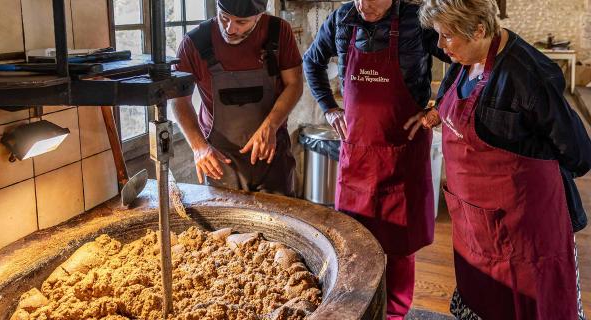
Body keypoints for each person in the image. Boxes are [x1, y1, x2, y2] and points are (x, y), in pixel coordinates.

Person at [416, 0, 591, 318]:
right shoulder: (466, 56)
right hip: (475, 226)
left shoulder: (527, 75)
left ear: (478, 30)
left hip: (523, 233)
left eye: (446, 36)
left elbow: (578, 153)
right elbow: (452, 98)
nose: (440, 45)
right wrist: (435, 114)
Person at [303, 0, 450, 318]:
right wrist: (328, 106)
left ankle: (396, 313)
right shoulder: (342, 18)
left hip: (403, 154)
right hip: (357, 155)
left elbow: (462, 61)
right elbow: (312, 61)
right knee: (354, 242)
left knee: (399, 245)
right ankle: (357, 307)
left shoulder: (417, 21)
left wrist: (440, 109)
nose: (363, 4)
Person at [172, 0, 303, 195]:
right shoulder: (195, 42)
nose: (230, 29)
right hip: (220, 161)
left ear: (259, 16)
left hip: (271, 155)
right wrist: (198, 147)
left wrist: (270, 126)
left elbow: (294, 84)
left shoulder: (278, 31)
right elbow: (178, 100)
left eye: (241, 22)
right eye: (224, 18)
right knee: (226, 222)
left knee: (278, 222)